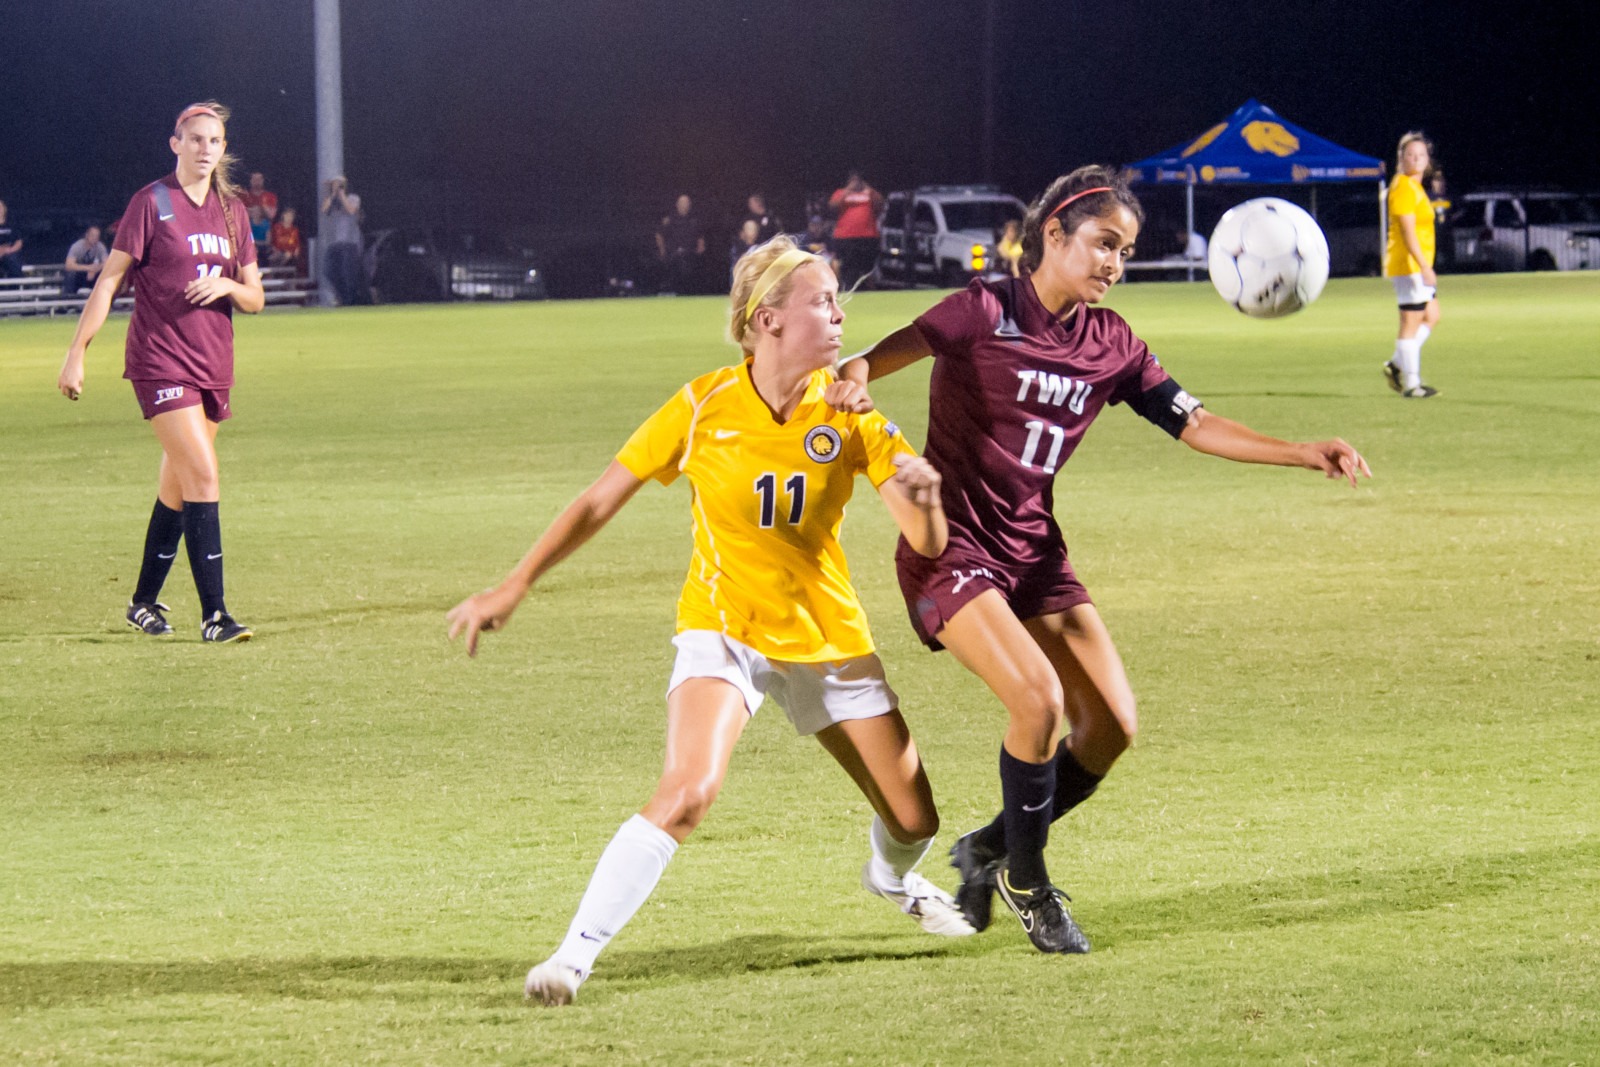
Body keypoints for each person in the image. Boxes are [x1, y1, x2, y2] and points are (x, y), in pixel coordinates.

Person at [839, 164, 1370, 955]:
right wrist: (852, 377)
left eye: (1124, 250)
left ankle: (991, 846)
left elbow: (1195, 423)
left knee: (1112, 727)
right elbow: (882, 356)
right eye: (1102, 243)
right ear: (1052, 233)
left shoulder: (1112, 342)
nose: (1113, 262)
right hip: (952, 550)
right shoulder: (984, 307)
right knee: (1039, 702)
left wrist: (1301, 450)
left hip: (1034, 553)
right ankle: (1028, 879)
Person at [447, 235, 973, 1007]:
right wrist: (514, 584)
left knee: (914, 816)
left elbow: (925, 539)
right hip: (723, 628)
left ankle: (890, 876)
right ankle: (572, 957)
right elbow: (599, 499)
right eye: (823, 301)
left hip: (827, 639)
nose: (839, 316)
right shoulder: (702, 405)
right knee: (689, 789)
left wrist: (924, 502)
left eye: (838, 302)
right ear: (768, 319)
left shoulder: (852, 412)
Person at [56, 101, 265, 643]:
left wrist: (228, 287)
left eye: (214, 141)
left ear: (223, 149)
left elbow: (256, 296)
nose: (205, 149)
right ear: (176, 143)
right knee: (204, 475)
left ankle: (142, 602)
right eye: (195, 139)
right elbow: (108, 281)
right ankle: (215, 615)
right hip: (160, 359)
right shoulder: (151, 203)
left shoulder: (232, 211)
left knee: (178, 488)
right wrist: (78, 351)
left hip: (213, 362)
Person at [1381, 132, 1441, 399]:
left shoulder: (1414, 187)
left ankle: (1397, 364)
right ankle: (1411, 385)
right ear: (1401, 159)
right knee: (1411, 321)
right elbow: (1407, 232)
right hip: (1408, 265)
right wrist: (1423, 266)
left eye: (1421, 155)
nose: (1415, 159)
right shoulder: (1403, 186)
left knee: (1432, 315)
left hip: (1416, 265)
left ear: (1428, 161)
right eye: (1410, 154)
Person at [828, 171, 884, 290]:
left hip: (868, 236)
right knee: (849, 267)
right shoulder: (840, 192)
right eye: (853, 180)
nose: (856, 182)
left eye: (858, 180)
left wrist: (867, 188)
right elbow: (833, 206)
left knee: (867, 266)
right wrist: (848, 190)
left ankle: (868, 289)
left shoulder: (869, 193)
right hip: (846, 237)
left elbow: (880, 203)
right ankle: (850, 289)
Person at [320, 175, 367, 306]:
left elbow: (351, 210)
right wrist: (333, 194)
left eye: (338, 183)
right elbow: (324, 209)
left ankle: (350, 300)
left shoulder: (353, 198)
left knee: (348, 273)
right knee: (328, 271)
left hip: (349, 242)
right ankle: (342, 297)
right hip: (334, 243)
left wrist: (341, 194)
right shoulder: (332, 200)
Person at [655, 193, 705, 294]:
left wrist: (701, 247)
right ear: (677, 204)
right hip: (673, 254)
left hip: (690, 254)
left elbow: (700, 236)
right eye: (682, 203)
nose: (685, 205)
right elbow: (659, 235)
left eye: (687, 203)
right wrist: (662, 250)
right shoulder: (669, 219)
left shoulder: (694, 220)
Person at [61, 224, 109, 295]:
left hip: (94, 275)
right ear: (87, 235)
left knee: (105, 274)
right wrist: (88, 268)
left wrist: (96, 269)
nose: (94, 238)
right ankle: (69, 298)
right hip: (79, 275)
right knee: (70, 274)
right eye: (92, 235)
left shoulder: (100, 247)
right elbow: (68, 265)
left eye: (97, 236)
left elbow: (107, 263)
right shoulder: (77, 246)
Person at [267, 205, 304, 271]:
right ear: (283, 216)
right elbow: (272, 240)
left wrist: (296, 251)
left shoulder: (294, 230)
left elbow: (297, 244)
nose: (289, 218)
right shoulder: (277, 227)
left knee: (287, 255)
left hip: (289, 253)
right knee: (273, 257)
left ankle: (278, 270)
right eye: (287, 215)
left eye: (291, 216)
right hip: (277, 251)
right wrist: (274, 249)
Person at [0, 199, 24, 278]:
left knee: (13, 261)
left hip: (9, 253)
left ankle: (15, 286)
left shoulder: (12, 225)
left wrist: (9, 250)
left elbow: (19, 242)